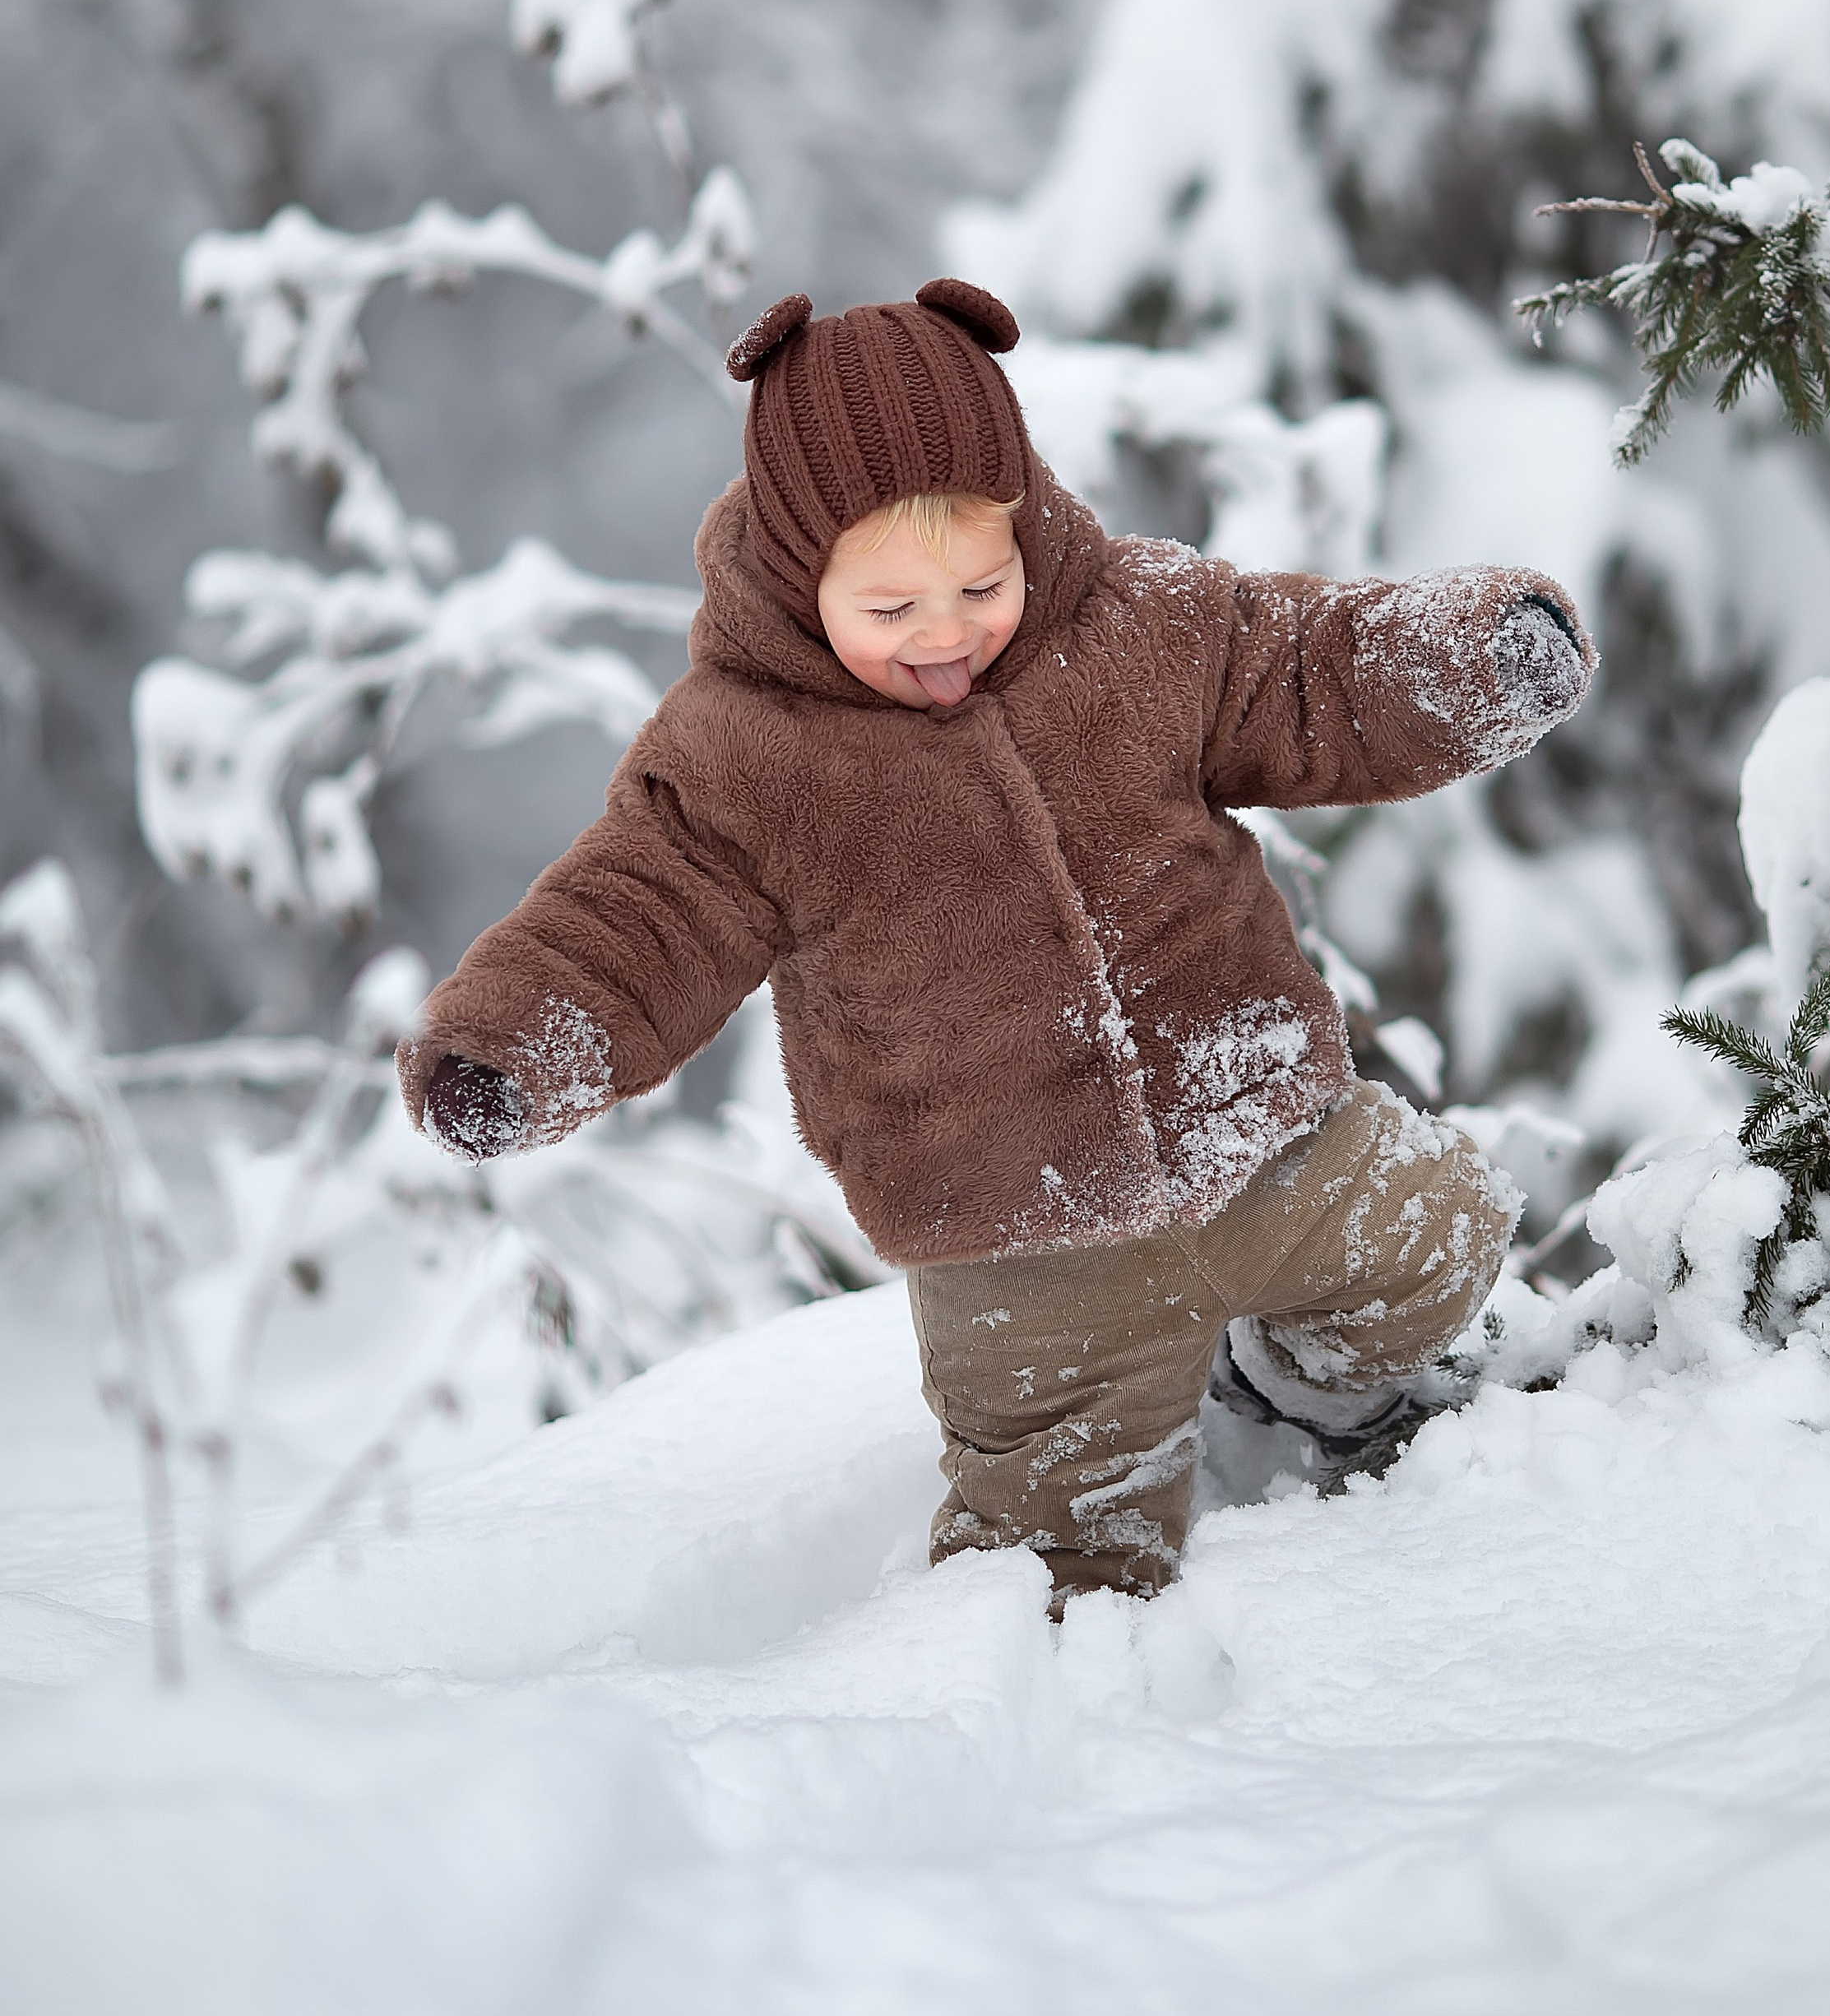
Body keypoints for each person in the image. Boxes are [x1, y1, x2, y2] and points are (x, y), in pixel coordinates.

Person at [400, 280, 1595, 1604]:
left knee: (1438, 1239)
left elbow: (1312, 672)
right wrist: (519, 1047)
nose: (948, 631)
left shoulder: (1141, 625)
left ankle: (1307, 1391)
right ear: (799, 581)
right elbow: (639, 914)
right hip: (1020, 1246)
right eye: (891, 608)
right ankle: (1053, 1685)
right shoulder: (746, 757)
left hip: (1265, 1129)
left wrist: (1469, 664)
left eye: (982, 582)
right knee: (1057, 1547)